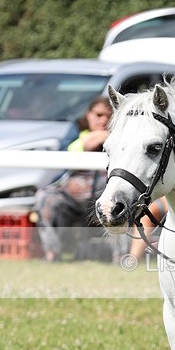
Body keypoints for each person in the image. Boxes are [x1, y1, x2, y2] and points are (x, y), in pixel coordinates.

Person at [33, 96, 116, 262]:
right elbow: (67, 153)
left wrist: (106, 137)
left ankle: (122, 257)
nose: (103, 120)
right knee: (45, 198)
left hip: (105, 196)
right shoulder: (75, 132)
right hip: (71, 197)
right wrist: (90, 140)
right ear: (88, 115)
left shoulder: (119, 137)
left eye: (108, 116)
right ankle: (52, 253)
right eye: (98, 115)